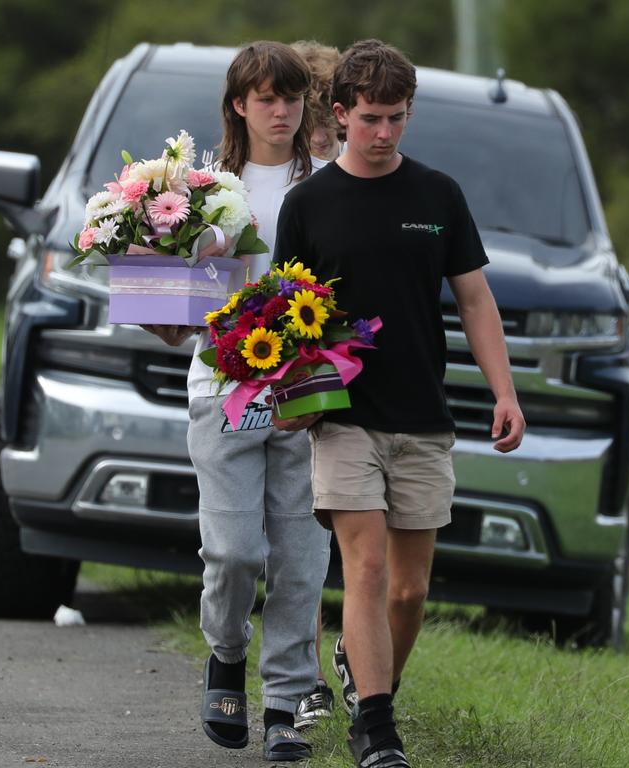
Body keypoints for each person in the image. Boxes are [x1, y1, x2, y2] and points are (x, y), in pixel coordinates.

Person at [274, 39, 526, 768]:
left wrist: (504, 392)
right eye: (372, 118)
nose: (384, 133)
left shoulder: (438, 196)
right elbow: (285, 318)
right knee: (368, 569)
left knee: (411, 592)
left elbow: (474, 299)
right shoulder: (308, 205)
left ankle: (364, 678)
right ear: (340, 112)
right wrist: (294, 395)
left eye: (398, 118)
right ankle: (376, 732)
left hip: (425, 417)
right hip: (345, 416)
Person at [162, 41, 331, 763]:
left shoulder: (331, 183)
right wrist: (162, 301)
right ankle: (226, 653)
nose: (281, 109)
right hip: (225, 388)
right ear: (239, 104)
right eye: (266, 97)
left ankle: (286, 703)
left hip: (309, 395)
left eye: (291, 97)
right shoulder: (204, 186)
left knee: (301, 558)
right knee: (233, 550)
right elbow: (174, 311)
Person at [284, 38, 342, 734]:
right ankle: (303, 675)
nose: (317, 134)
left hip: (334, 365)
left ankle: (323, 671)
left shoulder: (344, 179)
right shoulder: (257, 173)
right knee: (293, 535)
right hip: (276, 369)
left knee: (325, 533)